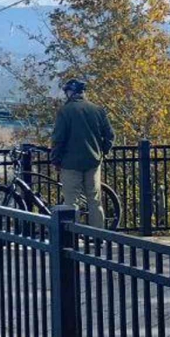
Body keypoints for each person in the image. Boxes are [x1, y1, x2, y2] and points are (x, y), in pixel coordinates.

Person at [48, 78, 115, 227]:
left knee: (71, 202)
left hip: (70, 163)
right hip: (93, 161)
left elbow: (58, 139)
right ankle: (99, 236)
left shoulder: (65, 111)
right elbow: (110, 135)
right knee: (94, 200)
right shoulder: (97, 110)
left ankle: (72, 238)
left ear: (70, 92)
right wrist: (102, 151)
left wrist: (56, 160)